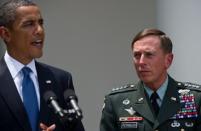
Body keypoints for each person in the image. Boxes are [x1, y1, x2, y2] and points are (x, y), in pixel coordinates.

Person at [0, 0, 85, 131]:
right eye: (29, 24)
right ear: (6, 34)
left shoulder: (61, 79)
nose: (39, 30)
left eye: (41, 23)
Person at [100, 28, 201, 131]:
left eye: (149, 55)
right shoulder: (116, 101)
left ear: (168, 60)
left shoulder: (196, 99)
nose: (141, 62)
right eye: (137, 55)